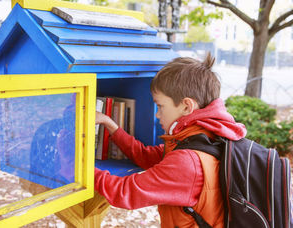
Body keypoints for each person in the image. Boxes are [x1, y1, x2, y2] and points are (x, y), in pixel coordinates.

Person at [94, 53, 247, 227]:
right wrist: (110, 124)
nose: (157, 114)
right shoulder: (207, 136)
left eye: (160, 106)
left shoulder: (188, 162)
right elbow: (146, 155)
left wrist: (76, 167)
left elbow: (124, 192)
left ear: (186, 106)